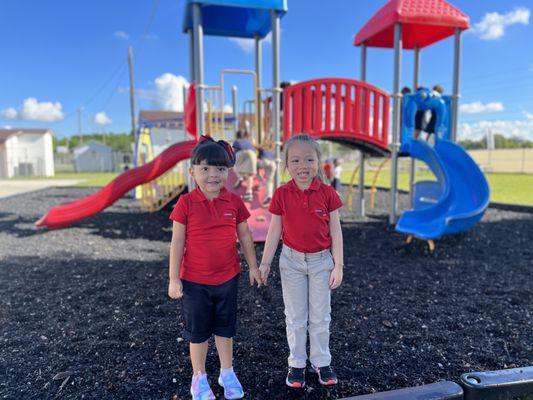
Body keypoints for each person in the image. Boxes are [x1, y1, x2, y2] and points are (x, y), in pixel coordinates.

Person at [168, 136, 262, 400]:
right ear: (192, 171)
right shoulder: (185, 203)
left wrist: (253, 267)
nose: (213, 175)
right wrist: (174, 278)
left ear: (228, 172)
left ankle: (226, 371)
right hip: (194, 282)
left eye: (220, 169)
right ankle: (198, 377)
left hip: (227, 279)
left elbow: (245, 236)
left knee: (224, 328)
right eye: (205, 169)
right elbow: (176, 243)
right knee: (197, 333)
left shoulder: (233, 202)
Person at [259, 134, 344, 389]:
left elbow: (336, 231)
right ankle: (296, 363)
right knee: (295, 316)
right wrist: (265, 263)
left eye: (309, 158)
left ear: (319, 161)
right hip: (292, 262)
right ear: (286, 164)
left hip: (321, 262)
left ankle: (321, 361)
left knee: (320, 316)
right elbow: (274, 231)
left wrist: (338, 264)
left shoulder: (328, 194)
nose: (302, 165)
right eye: (295, 160)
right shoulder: (282, 194)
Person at [233, 130, 257, 202]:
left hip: (240, 153)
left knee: (236, 166)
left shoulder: (236, 141)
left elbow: (233, 150)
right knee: (250, 174)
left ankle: (240, 177)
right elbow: (255, 150)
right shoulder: (249, 142)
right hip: (251, 153)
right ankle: (249, 193)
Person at [257, 141, 277, 208]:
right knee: (269, 181)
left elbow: (259, 158)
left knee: (254, 165)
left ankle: (260, 180)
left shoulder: (262, 149)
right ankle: (269, 195)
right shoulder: (272, 151)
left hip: (265, 161)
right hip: (273, 164)